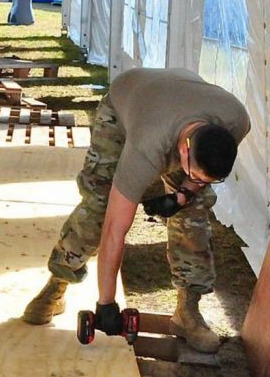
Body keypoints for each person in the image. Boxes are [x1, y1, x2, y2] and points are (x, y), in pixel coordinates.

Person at [21, 67, 251, 353]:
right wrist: (106, 303)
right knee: (99, 208)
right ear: (183, 149)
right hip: (124, 106)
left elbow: (200, 177)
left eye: (209, 180)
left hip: (172, 99)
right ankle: (58, 284)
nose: (199, 182)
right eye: (196, 175)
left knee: (194, 210)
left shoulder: (236, 121)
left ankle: (188, 311)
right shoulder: (147, 146)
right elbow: (115, 229)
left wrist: (182, 195)